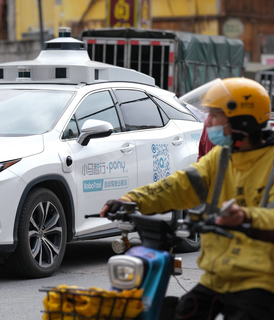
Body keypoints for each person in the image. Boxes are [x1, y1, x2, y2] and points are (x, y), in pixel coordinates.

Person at [101, 77, 274, 319]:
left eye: (214, 115)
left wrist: (245, 216)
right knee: (181, 312)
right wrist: (133, 200)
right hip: (218, 276)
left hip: (262, 281)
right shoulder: (221, 158)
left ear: (241, 121)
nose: (208, 122)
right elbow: (178, 185)